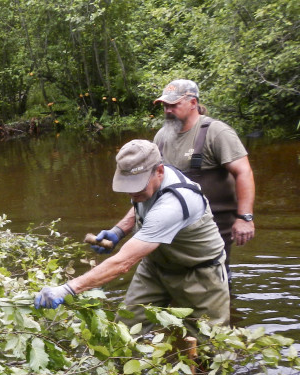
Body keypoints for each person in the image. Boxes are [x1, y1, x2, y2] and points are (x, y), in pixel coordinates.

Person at [35, 140, 230, 334]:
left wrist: (68, 289)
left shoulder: (175, 204)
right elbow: (141, 203)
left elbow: (123, 263)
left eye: (137, 186)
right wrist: (119, 231)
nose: (131, 192)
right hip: (155, 267)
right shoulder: (146, 183)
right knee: (125, 332)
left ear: (159, 171)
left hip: (198, 274)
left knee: (210, 343)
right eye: (127, 185)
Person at [152, 79, 255, 272]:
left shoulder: (216, 132)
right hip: (174, 222)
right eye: (165, 105)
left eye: (173, 105)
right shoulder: (161, 137)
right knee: (174, 274)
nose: (167, 110)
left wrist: (245, 218)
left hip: (215, 224)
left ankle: (227, 302)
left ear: (193, 103)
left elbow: (244, 172)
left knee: (214, 276)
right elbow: (152, 183)